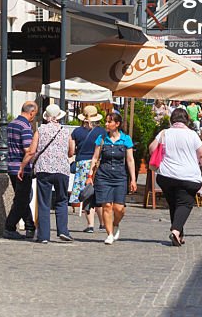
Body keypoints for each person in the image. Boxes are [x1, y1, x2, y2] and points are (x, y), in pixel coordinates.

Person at [149, 106, 202, 246]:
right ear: (187, 120)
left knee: (174, 204)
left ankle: (179, 235)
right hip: (188, 176)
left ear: (172, 120)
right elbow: (201, 155)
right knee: (185, 203)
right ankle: (176, 231)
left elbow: (152, 148)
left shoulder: (164, 133)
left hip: (166, 176)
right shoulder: (192, 135)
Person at [18, 103, 75, 244]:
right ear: (59, 117)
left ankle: (44, 236)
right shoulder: (65, 131)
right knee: (62, 200)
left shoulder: (40, 130)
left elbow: (31, 151)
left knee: (44, 202)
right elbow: (71, 151)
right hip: (62, 169)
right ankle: (63, 231)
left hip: (44, 169)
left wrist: (22, 166)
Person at [87, 110, 137, 245]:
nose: (107, 124)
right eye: (107, 121)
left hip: (120, 176)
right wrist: (90, 175)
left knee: (119, 208)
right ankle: (109, 234)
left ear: (117, 124)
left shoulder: (126, 139)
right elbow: (95, 158)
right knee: (107, 205)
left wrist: (133, 179)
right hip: (104, 176)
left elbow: (130, 160)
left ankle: (115, 224)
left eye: (109, 121)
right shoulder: (102, 139)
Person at [4, 100, 38, 240]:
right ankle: (9, 227)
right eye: (34, 114)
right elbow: (27, 149)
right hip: (22, 168)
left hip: (11, 166)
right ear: (31, 112)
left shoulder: (12, 124)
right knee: (22, 200)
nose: (34, 117)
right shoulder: (25, 126)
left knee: (21, 198)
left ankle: (30, 227)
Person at [69, 105, 105, 233]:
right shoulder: (102, 132)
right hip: (98, 164)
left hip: (82, 164)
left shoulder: (76, 132)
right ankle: (102, 223)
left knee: (87, 193)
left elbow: (71, 151)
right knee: (98, 193)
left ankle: (90, 225)